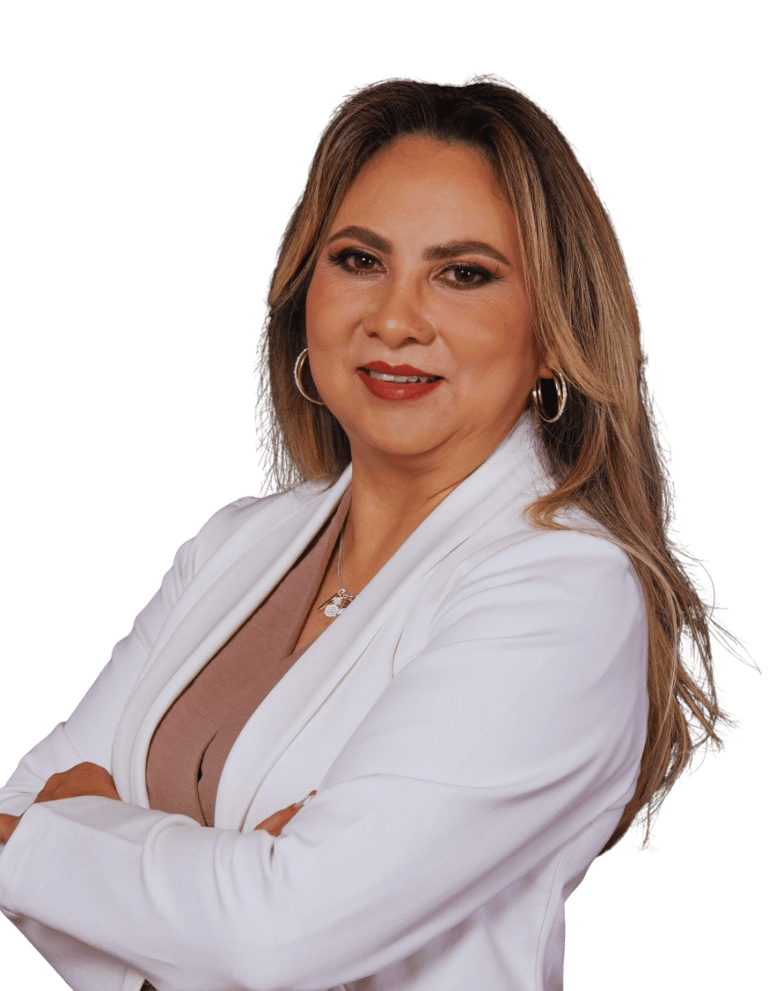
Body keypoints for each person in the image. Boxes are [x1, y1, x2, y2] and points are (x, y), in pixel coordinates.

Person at [0, 73, 756, 991]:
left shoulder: (566, 588)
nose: (395, 319)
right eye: (359, 259)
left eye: (463, 273)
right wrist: (224, 882)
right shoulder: (235, 543)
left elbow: (276, 936)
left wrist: (76, 843)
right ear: (303, 292)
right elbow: (20, 806)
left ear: (555, 334)